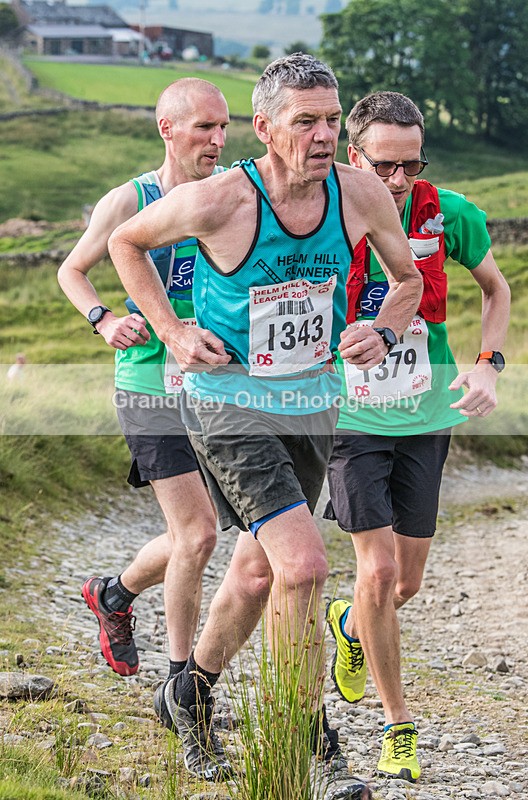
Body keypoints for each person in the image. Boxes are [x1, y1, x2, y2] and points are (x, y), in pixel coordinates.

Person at [108, 54, 422, 799]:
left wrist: (379, 329)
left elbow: (405, 280)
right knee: (306, 567)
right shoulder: (221, 199)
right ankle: (310, 747)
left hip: (309, 401)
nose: (320, 135)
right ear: (265, 129)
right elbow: (126, 244)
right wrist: (173, 333)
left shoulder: (359, 192)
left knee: (255, 572)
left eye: (328, 120)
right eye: (303, 121)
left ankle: (187, 694)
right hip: (225, 404)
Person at [324, 91, 511, 783]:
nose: (397, 181)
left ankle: (347, 625)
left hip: (425, 415)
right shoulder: (325, 215)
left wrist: (488, 365)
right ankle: (396, 727)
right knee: (372, 571)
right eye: (384, 166)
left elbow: (495, 291)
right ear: (355, 156)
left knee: (402, 583)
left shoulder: (449, 214)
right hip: (350, 417)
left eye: (410, 165)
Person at [57, 77, 230, 723]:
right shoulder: (131, 198)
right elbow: (71, 269)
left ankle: (112, 591)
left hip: (216, 383)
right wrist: (102, 318)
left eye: (223, 128)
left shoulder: (230, 191)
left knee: (206, 532)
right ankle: (181, 686)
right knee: (198, 533)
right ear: (167, 129)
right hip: (148, 383)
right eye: (203, 128)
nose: (216, 140)